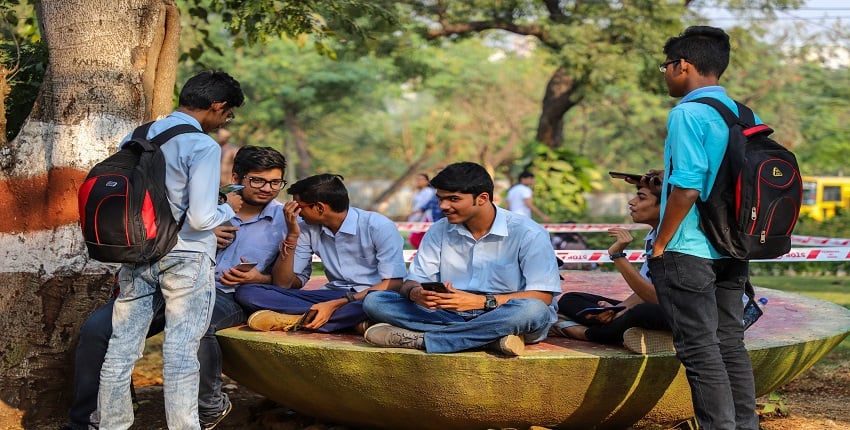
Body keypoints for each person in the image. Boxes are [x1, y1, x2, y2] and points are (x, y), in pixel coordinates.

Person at [65, 145, 288, 430]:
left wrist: (257, 278)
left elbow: (290, 282)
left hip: (226, 295)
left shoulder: (286, 220)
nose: (267, 188)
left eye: (274, 182)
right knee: (98, 329)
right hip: (166, 283)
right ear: (236, 177)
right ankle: (86, 420)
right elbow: (158, 238)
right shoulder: (202, 202)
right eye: (257, 180)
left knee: (197, 326)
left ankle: (209, 406)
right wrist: (201, 235)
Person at [94, 71, 245, 430]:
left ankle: (111, 426)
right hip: (186, 256)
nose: (225, 122)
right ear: (218, 106)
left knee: (121, 347)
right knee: (181, 351)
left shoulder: (136, 136)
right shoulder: (202, 145)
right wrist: (229, 207)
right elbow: (202, 216)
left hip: (137, 251)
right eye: (228, 115)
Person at [650, 26, 759, 429]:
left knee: (698, 349)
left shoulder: (687, 113)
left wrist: (661, 242)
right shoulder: (744, 114)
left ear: (684, 66)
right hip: (735, 245)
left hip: (690, 247)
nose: (665, 74)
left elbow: (691, 186)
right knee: (730, 344)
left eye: (666, 67)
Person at [361, 162, 561, 356]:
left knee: (533, 311)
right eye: (440, 199)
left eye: (453, 199)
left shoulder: (528, 233)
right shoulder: (439, 229)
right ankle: (490, 339)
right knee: (376, 301)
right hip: (449, 311)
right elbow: (412, 281)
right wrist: (416, 293)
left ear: (482, 198)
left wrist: (480, 302)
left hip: (503, 311)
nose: (443, 206)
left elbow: (542, 296)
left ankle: (425, 340)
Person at [235, 173, 407, 333]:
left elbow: (393, 283)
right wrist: (292, 236)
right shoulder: (305, 229)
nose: (294, 212)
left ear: (319, 208)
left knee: (376, 305)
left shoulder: (378, 226)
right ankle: (341, 321)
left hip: (369, 296)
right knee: (248, 292)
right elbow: (283, 284)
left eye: (298, 206)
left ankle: (296, 319)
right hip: (331, 295)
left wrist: (337, 304)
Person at [554, 184, 671, 352]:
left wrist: (617, 255)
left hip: (678, 313)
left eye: (641, 197)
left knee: (644, 311)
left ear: (665, 204)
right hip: (651, 302)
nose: (632, 202)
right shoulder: (653, 237)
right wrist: (617, 309)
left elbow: (658, 298)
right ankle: (631, 330)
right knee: (570, 299)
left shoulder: (676, 242)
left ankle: (581, 332)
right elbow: (644, 290)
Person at [407, 173, 437, 248]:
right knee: (414, 240)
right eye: (417, 180)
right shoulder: (418, 192)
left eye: (421, 180)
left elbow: (426, 206)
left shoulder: (429, 192)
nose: (418, 181)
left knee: (416, 239)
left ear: (427, 181)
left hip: (425, 217)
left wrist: (418, 217)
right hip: (416, 217)